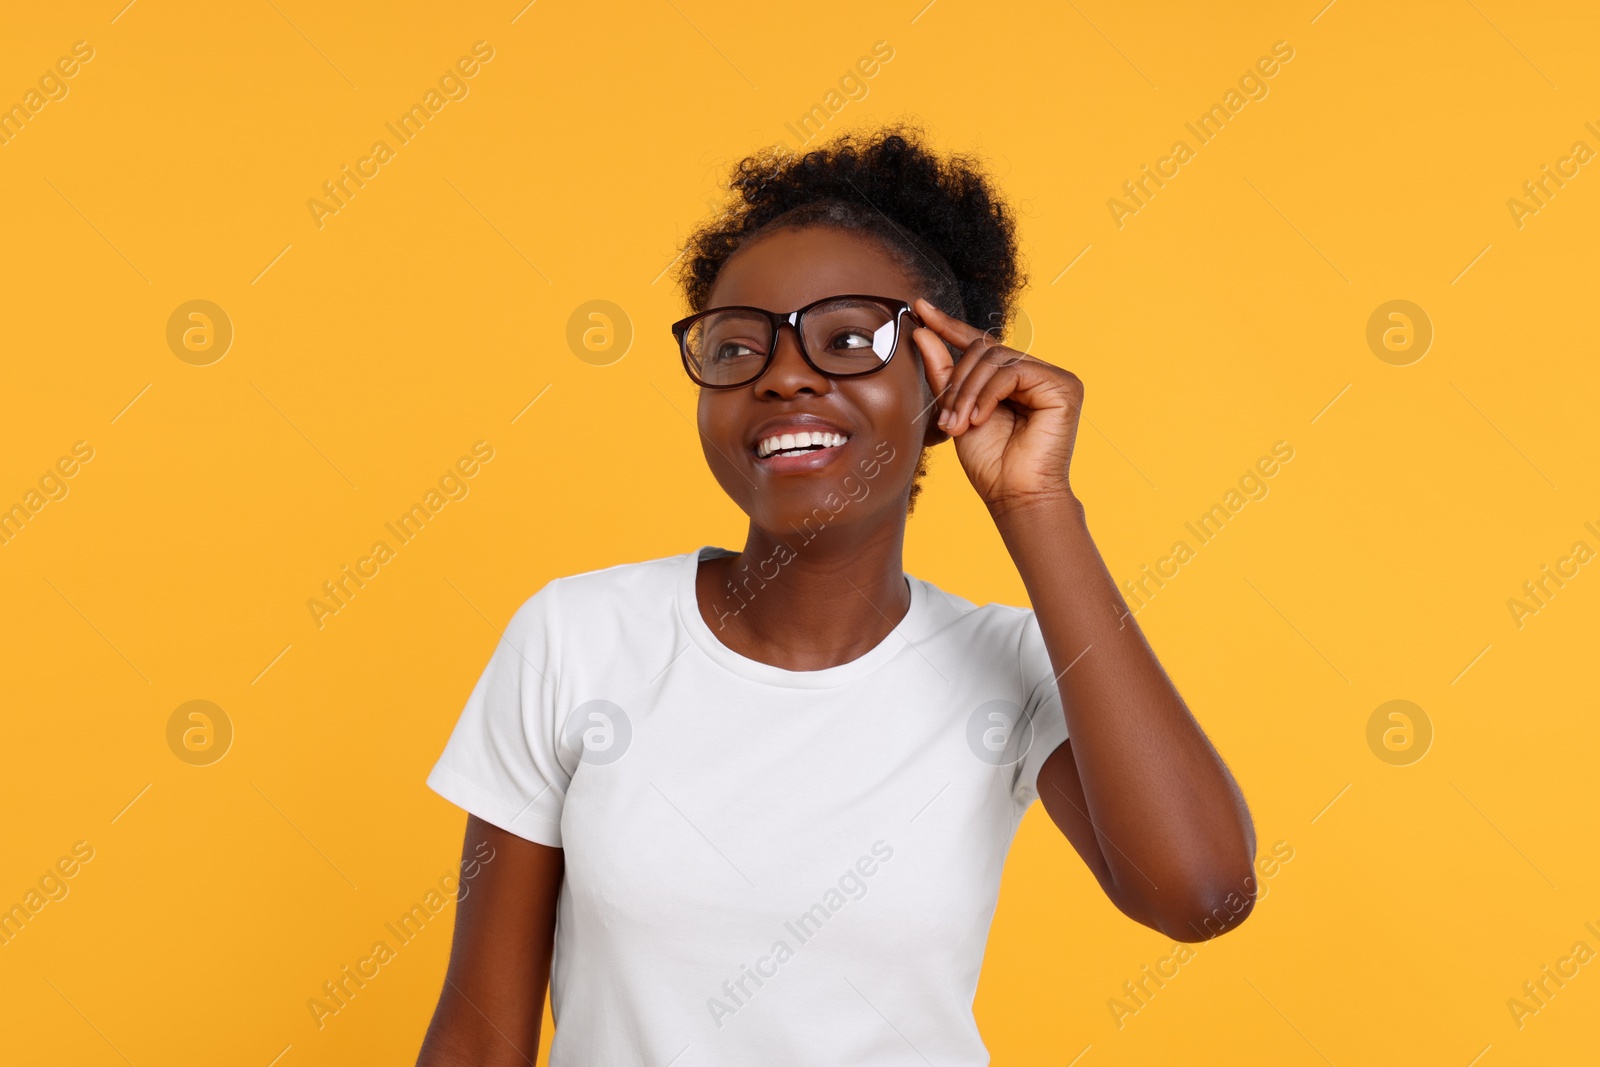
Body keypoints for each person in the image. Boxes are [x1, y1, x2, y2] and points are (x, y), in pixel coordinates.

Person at [415, 126, 1256, 1066]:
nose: (784, 374)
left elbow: (1201, 894)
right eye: (737, 347)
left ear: (944, 384)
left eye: (849, 339)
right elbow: (479, 1039)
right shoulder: (576, 640)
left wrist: (1036, 503)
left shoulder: (1014, 666)